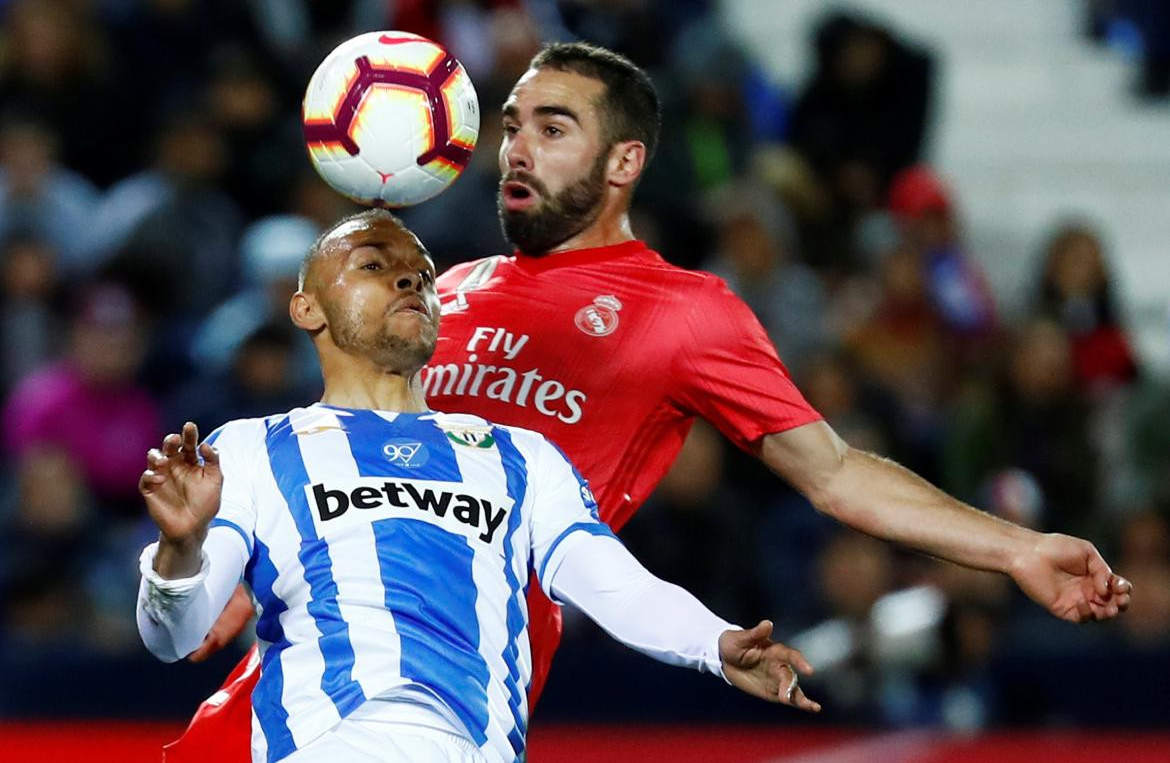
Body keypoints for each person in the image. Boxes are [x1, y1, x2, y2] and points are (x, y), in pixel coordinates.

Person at [165, 42, 1132, 762]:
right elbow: (342, 456)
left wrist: (1014, 549)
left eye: (553, 130)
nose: (517, 150)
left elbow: (835, 475)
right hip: (308, 657)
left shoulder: (686, 314)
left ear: (623, 163)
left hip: (465, 669)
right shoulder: (442, 290)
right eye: (511, 125)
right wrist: (237, 562)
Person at [136, 212, 820, 763]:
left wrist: (715, 642)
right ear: (307, 307)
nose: (409, 282)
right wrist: (179, 550)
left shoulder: (518, 455)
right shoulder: (252, 448)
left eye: (421, 274)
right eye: (374, 266)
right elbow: (173, 638)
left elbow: (617, 584)